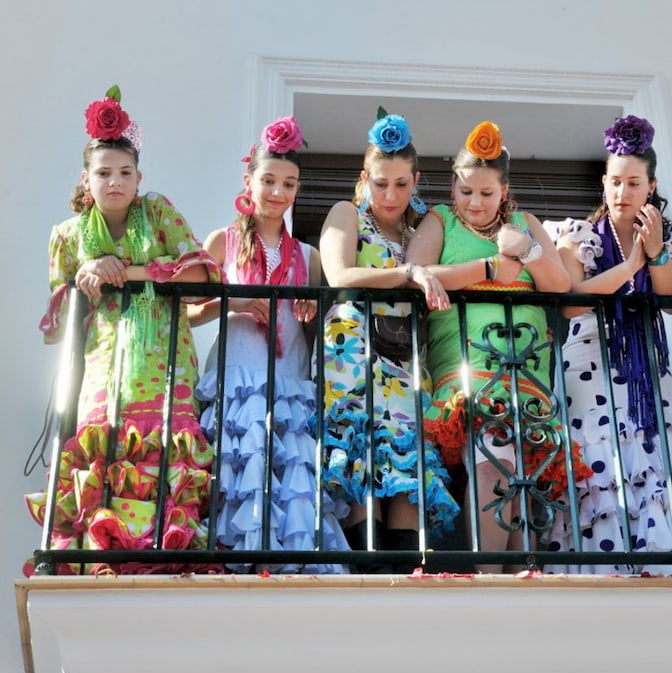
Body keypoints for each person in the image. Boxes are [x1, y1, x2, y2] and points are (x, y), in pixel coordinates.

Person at [25, 86, 220, 573]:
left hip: (162, 361)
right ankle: (103, 557)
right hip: (100, 364)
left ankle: (164, 557)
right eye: (104, 173)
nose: (115, 182)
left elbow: (199, 277)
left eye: (125, 173)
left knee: (165, 451)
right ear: (86, 180)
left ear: (139, 178)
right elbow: (59, 322)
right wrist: (83, 279)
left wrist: (122, 271)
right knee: (103, 451)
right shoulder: (67, 237)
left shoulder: (157, 213)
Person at [543, 114, 672, 575]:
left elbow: (671, 300)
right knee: (600, 459)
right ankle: (606, 565)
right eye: (614, 182)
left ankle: (665, 563)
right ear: (603, 184)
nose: (621, 192)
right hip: (587, 361)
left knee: (656, 458)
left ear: (651, 186)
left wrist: (657, 253)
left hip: (646, 368)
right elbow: (570, 302)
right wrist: (630, 265)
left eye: (632, 182)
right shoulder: (577, 235)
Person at [406, 120, 589, 571]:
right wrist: (488, 267)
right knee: (490, 464)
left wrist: (527, 252)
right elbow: (413, 272)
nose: (475, 202)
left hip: (527, 366)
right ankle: (488, 576)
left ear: (504, 191)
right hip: (470, 362)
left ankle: (514, 575)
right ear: (453, 186)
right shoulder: (439, 219)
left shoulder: (523, 223)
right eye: (466, 191)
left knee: (519, 472)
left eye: (487, 193)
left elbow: (560, 286)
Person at [188, 116, 350, 573]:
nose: (278, 193)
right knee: (241, 467)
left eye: (289, 184)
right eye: (269, 181)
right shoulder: (222, 242)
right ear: (249, 181)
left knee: (291, 474)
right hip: (238, 372)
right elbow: (187, 312)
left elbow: (319, 328)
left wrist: (312, 310)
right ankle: (240, 564)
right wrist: (233, 301)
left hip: (290, 378)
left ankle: (289, 566)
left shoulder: (309, 256)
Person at [319, 110, 458, 571]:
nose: (391, 194)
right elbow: (340, 274)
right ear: (364, 179)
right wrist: (408, 272)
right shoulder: (346, 214)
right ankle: (367, 585)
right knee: (365, 468)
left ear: (416, 180)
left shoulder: (420, 232)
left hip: (405, 363)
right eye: (381, 183)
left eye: (401, 183)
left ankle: (406, 590)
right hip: (354, 355)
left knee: (407, 473)